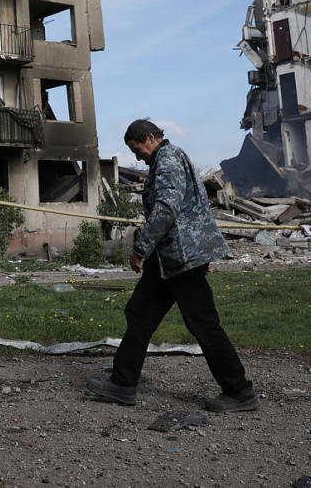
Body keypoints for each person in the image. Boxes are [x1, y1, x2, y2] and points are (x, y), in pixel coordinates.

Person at [86, 119, 257, 412]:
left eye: (137, 149)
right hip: (170, 258)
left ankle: (239, 390)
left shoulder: (168, 160)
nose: (138, 156)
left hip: (180, 257)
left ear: (150, 137)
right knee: (139, 314)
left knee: (203, 323)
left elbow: (167, 208)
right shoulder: (173, 158)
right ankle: (122, 383)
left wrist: (141, 247)